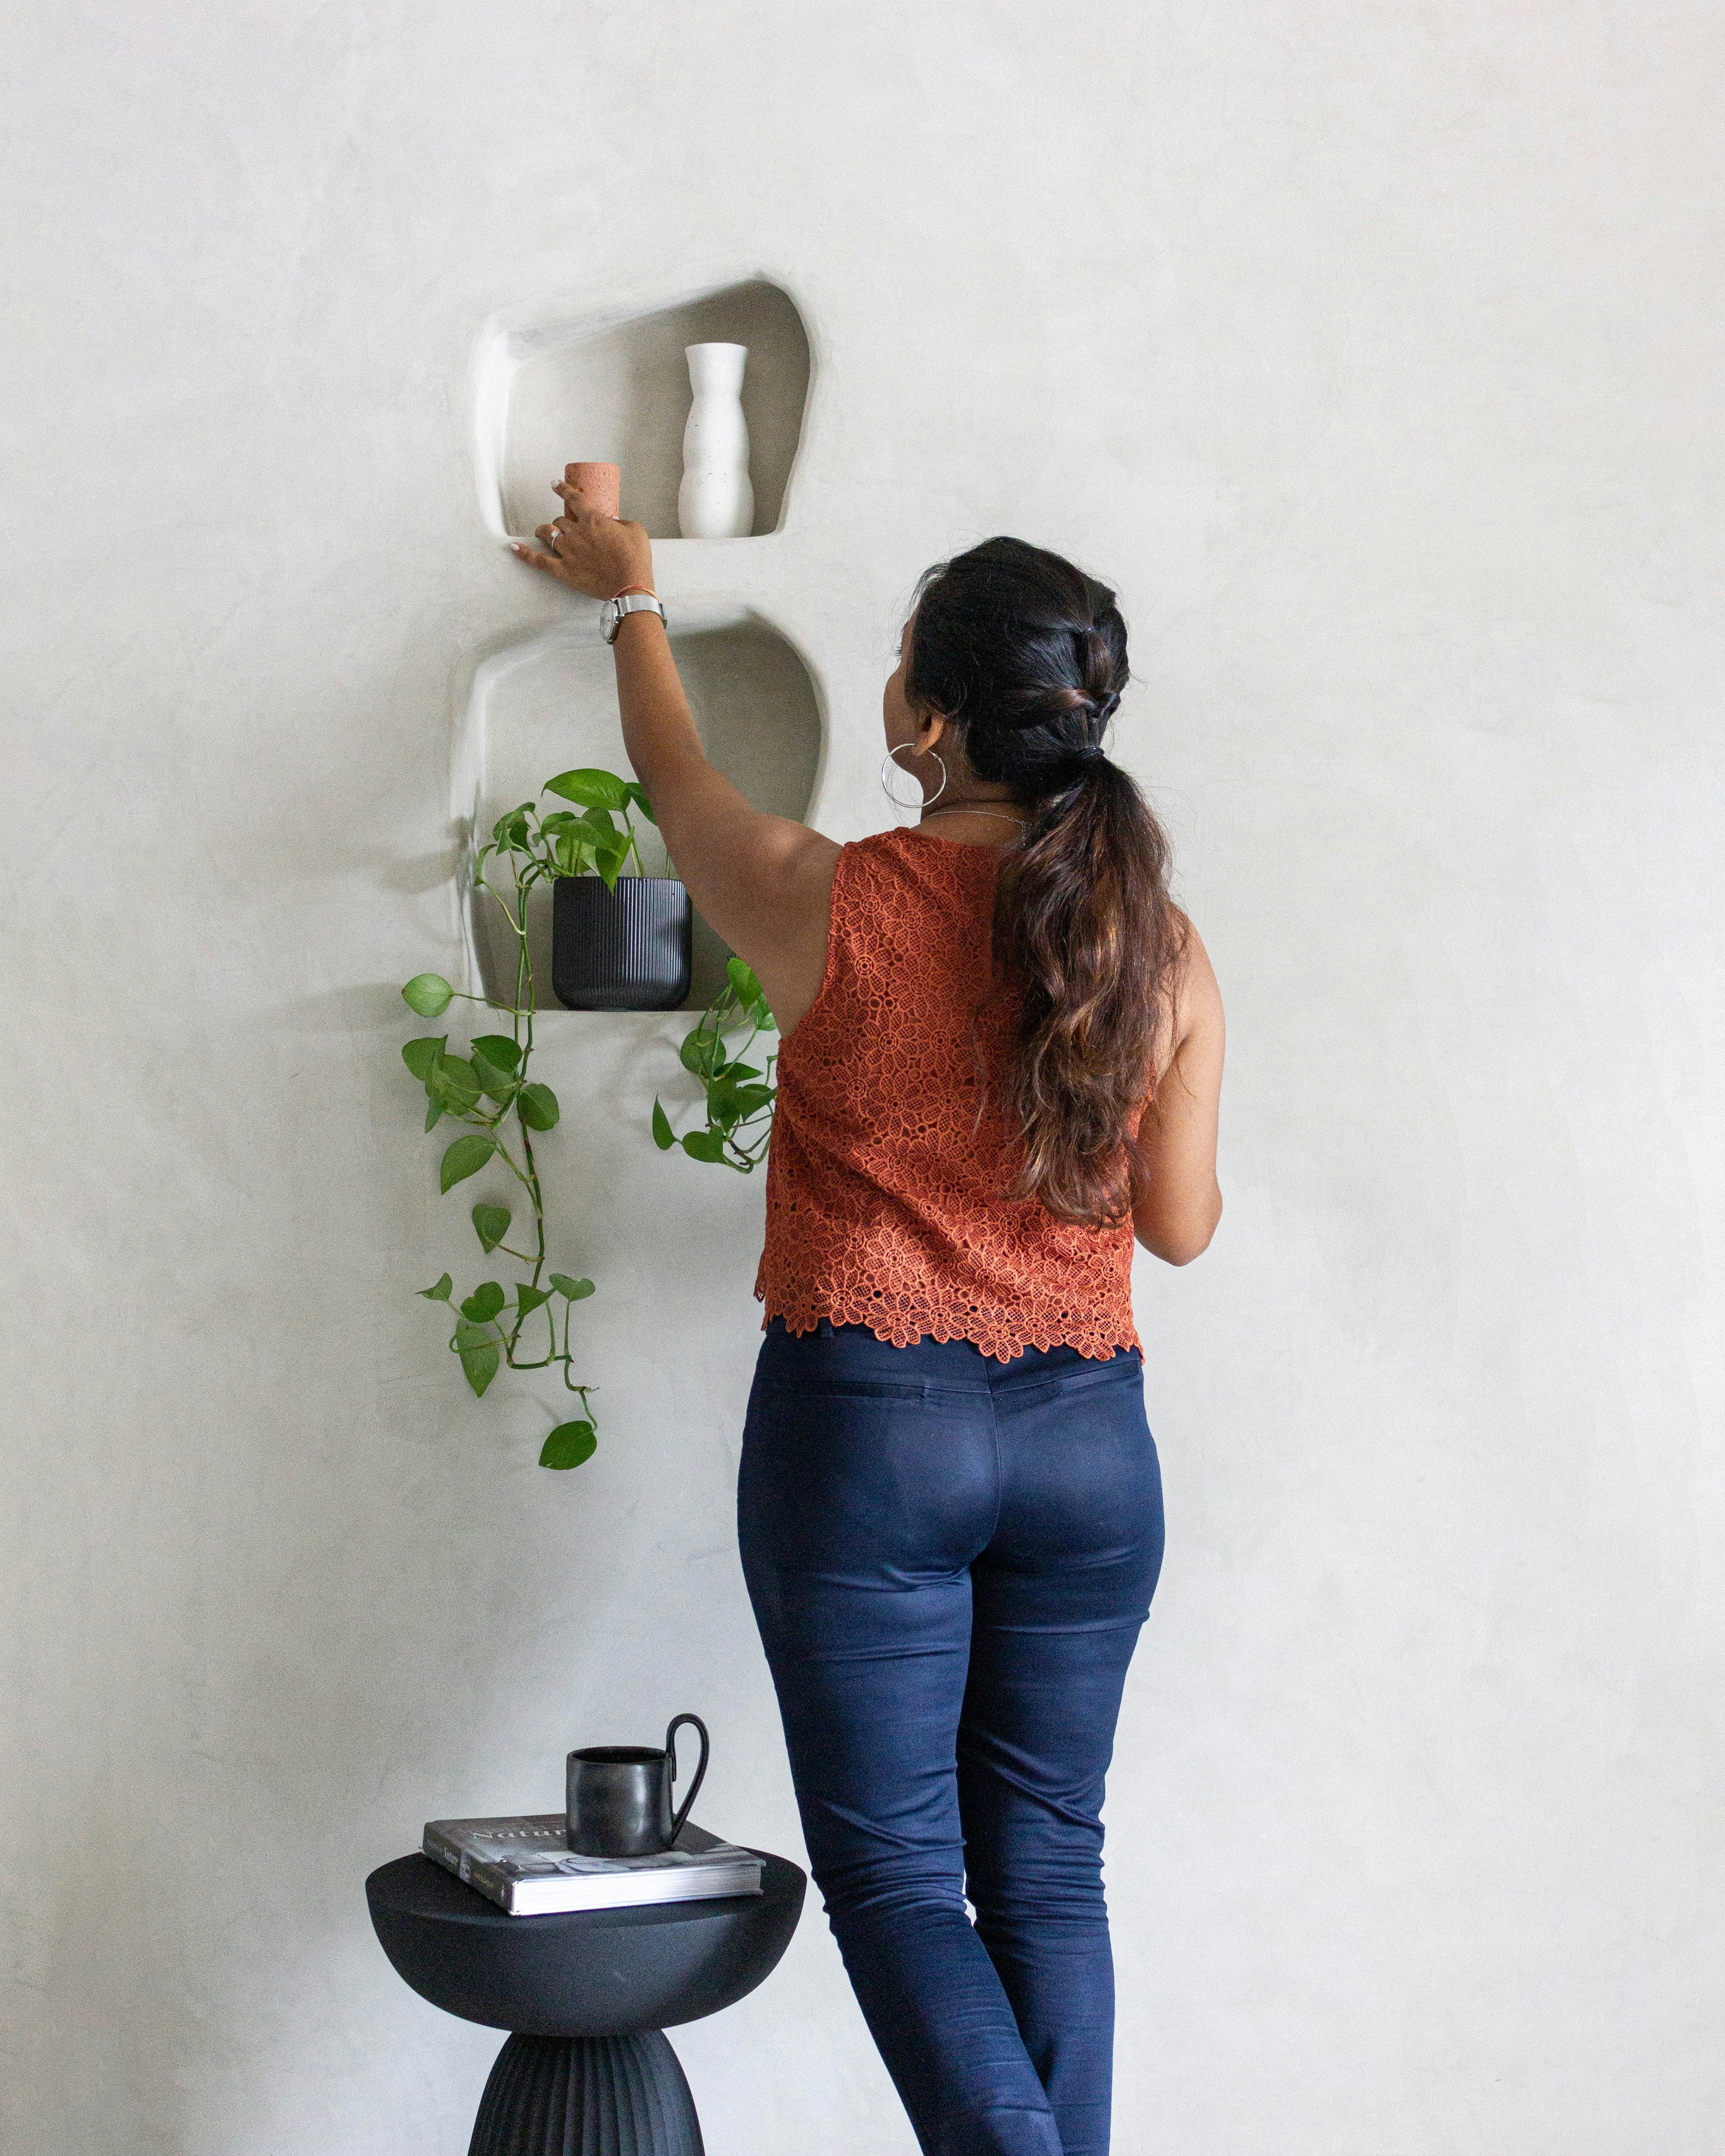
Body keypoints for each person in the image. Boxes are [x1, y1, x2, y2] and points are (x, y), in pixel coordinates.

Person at [516, 497, 1225, 2156]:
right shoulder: (1161, 947)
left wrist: (634, 597)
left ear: (925, 714)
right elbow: (1180, 1225)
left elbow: (672, 781)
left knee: (903, 1876)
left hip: (868, 1436)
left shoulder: (815, 894)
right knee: (1047, 1863)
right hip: (1090, 1454)